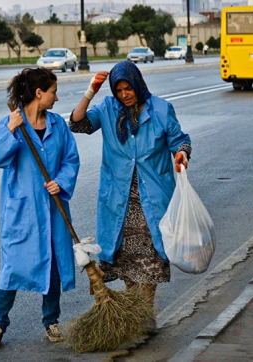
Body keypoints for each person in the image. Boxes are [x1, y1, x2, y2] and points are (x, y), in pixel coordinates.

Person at [68, 61, 191, 333]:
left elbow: (180, 140)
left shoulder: (161, 109)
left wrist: (181, 154)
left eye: (129, 88)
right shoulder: (109, 109)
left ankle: (146, 311)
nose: (125, 94)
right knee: (125, 257)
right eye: (119, 89)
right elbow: (77, 125)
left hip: (153, 195)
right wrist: (91, 91)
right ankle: (134, 308)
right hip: (119, 196)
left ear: (138, 84)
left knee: (150, 254)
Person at [0, 68, 80, 347]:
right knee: (12, 267)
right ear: (39, 93)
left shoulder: (57, 125)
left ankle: (51, 322)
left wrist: (60, 182)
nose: (57, 97)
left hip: (52, 206)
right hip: (22, 210)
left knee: (52, 265)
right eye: (53, 91)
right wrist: (11, 129)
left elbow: (71, 159)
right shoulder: (11, 122)